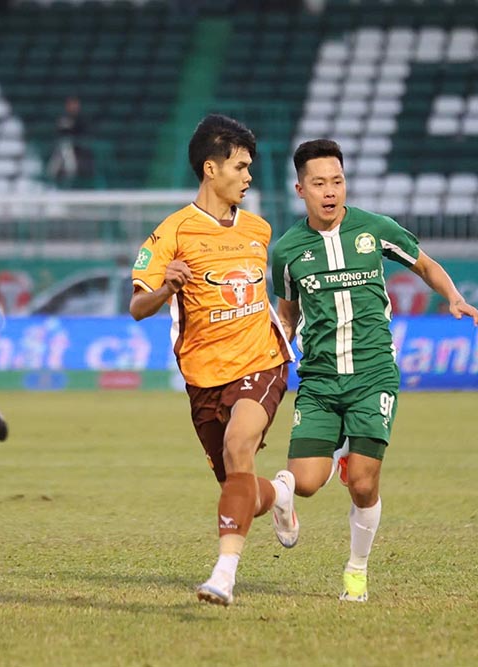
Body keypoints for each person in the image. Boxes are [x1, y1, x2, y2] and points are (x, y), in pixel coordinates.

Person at [271, 139, 478, 602]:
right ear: (300, 189)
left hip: (373, 376)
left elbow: (424, 264)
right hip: (320, 380)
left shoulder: (374, 228)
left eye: (337, 181)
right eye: (319, 183)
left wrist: (453, 296)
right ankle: (286, 495)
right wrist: (279, 344)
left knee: (365, 484)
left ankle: (356, 569)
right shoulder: (287, 249)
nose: (330, 191)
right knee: (305, 483)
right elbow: (287, 311)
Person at [129, 114, 297, 606]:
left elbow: (276, 294)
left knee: (239, 445)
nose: (248, 177)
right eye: (241, 167)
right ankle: (280, 495)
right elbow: (137, 307)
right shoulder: (172, 233)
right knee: (240, 487)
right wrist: (166, 287)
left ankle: (224, 574)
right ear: (211, 168)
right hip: (203, 378)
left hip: (261, 361)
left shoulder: (260, 230)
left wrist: (286, 325)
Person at [46, 96, 88, 185]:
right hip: (62, 149)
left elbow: (82, 133)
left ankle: (68, 176)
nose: (73, 106)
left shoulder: (82, 119)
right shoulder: (63, 117)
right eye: (71, 104)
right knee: (64, 148)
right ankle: (54, 179)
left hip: (79, 150)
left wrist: (70, 126)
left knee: (65, 149)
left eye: (75, 104)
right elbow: (59, 131)